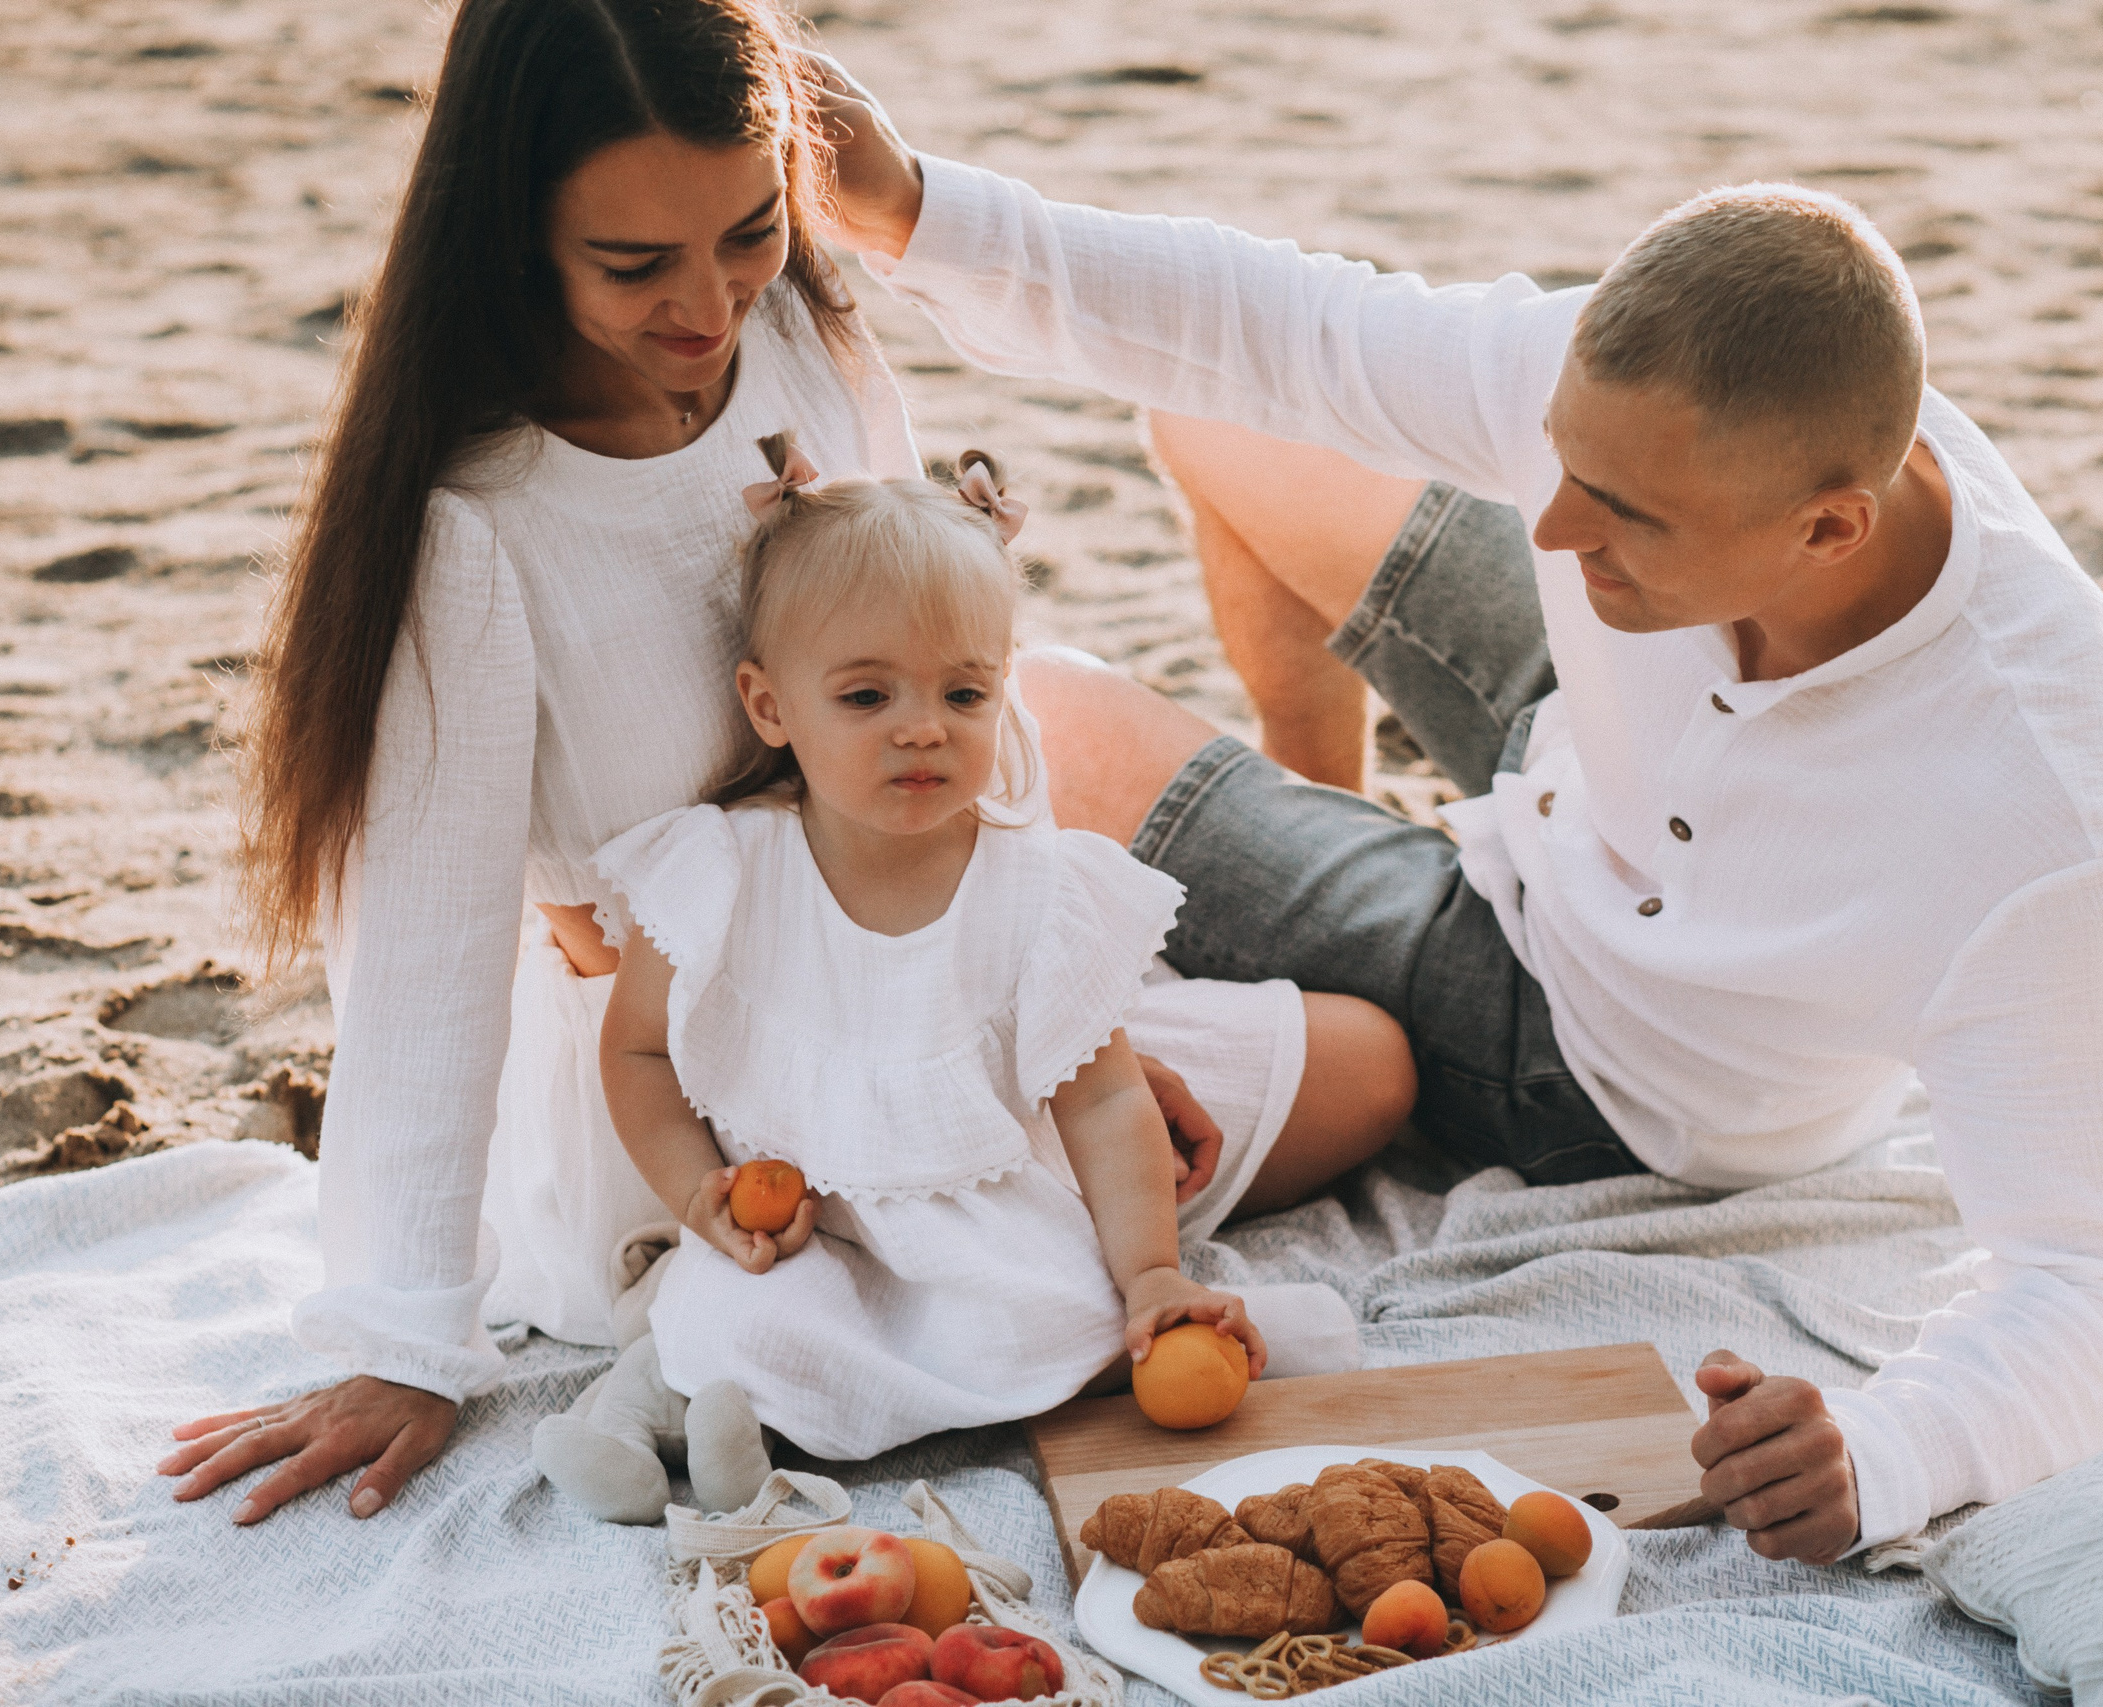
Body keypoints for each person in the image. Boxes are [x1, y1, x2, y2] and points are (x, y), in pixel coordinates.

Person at [814, 69, 2103, 1565]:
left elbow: (2095, 1276)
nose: (1548, 528)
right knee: (1220, 418)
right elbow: (1292, 329)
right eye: (1563, 465)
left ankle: (1332, 883)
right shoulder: (1670, 464)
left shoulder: (2026, 796)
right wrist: (922, 213)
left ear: (1832, 524)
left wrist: (1896, 1441)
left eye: (1618, 511)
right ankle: (1315, 806)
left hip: (1599, 1045)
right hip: (1576, 759)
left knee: (1045, 714)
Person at [161, 0, 1407, 1530]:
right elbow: (423, 941)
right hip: (694, 1086)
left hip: (937, 983)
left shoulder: (801, 336)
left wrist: (1055, 1016)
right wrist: (403, 1332)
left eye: (749, 231)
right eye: (634, 265)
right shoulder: (475, 522)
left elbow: (929, 666)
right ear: (514, 232)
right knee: (819, 1305)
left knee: (1363, 1066)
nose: (707, 308)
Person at [534, 445, 1353, 1520]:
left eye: (963, 692)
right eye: (867, 696)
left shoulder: (1036, 887)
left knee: (1055, 1317)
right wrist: (696, 1187)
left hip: (975, 1225)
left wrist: (1152, 1267)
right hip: (802, 1230)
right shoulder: (724, 869)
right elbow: (637, 1051)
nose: (922, 726)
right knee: (742, 1310)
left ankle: (766, 1413)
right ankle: (666, 1411)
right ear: (770, 706)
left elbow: (1103, 1097)